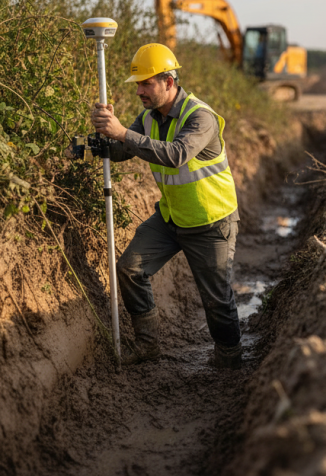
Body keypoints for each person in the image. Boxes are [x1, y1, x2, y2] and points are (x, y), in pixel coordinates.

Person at [89, 43, 243, 369]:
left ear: (168, 82)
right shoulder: (148, 117)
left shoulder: (200, 117)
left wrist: (122, 132)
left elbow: (176, 155)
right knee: (130, 268)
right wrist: (102, 135)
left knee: (216, 299)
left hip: (210, 222)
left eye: (146, 84)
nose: (139, 92)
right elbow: (122, 150)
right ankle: (147, 346)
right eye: (138, 85)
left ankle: (229, 360)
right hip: (171, 218)